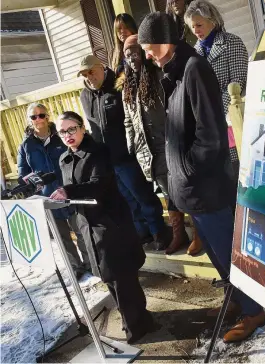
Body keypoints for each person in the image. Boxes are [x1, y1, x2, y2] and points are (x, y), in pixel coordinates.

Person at [138, 12, 265, 342]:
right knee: (213, 251)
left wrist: (188, 171)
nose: (148, 53)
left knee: (227, 252)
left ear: (168, 40)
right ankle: (236, 299)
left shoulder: (194, 69)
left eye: (151, 47)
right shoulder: (173, 72)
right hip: (190, 190)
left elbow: (211, 136)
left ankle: (254, 312)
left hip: (206, 188)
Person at [50, 111, 154, 344]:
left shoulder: (98, 151)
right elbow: (71, 189)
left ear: (82, 128)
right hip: (87, 225)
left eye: (71, 129)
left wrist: (68, 192)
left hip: (110, 223)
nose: (67, 135)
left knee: (122, 276)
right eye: (62, 131)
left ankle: (136, 326)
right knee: (108, 276)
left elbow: (99, 184)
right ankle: (139, 319)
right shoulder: (64, 159)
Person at [120, 35, 204, 256]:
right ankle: (179, 234)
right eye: (127, 55)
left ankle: (199, 233)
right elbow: (128, 120)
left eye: (135, 53)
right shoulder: (127, 88)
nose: (131, 59)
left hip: (169, 145)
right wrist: (133, 145)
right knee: (169, 195)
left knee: (183, 190)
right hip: (148, 152)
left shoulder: (158, 77)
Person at [78, 55, 171, 250]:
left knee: (142, 195)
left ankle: (159, 231)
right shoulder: (85, 96)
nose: (89, 77)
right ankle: (142, 233)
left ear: (101, 68)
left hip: (126, 155)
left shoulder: (118, 87)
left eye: (91, 72)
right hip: (106, 158)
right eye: (85, 75)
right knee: (126, 199)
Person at [185, 0, 248, 206]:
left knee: (238, 176)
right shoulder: (194, 53)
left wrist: (210, 109)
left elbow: (238, 83)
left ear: (212, 21)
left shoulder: (232, 43)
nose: (196, 30)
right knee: (222, 184)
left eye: (200, 25)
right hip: (209, 130)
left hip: (230, 122)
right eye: (192, 26)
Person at [17, 103, 90, 279]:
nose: (38, 119)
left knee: (81, 230)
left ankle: (90, 263)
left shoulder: (61, 136)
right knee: (62, 237)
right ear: (29, 120)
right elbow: (23, 174)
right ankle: (76, 267)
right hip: (47, 197)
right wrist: (31, 182)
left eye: (41, 115)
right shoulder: (26, 146)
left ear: (47, 116)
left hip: (68, 191)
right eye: (34, 117)